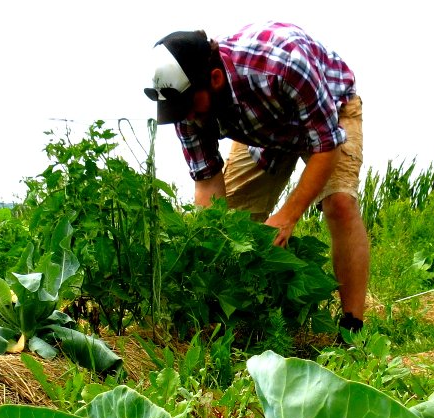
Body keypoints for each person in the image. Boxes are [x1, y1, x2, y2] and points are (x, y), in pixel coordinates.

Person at [144, 21, 367, 333]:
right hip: (261, 129)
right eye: (181, 111)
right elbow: (207, 183)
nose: (189, 118)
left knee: (340, 202)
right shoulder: (186, 106)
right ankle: (244, 321)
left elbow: (325, 145)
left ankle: (352, 326)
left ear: (216, 79)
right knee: (231, 231)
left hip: (329, 111)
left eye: (191, 108)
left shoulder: (282, 64)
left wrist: (287, 216)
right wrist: (210, 252)